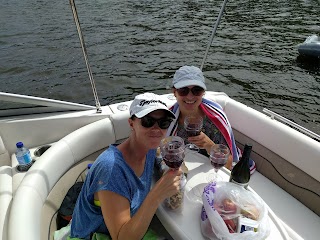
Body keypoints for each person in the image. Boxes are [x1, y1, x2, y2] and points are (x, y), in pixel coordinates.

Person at [69, 92, 182, 240]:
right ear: (131, 123)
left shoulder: (149, 148)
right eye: (147, 121)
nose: (156, 129)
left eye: (163, 123)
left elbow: (161, 157)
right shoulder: (111, 168)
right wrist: (157, 194)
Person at [167, 65, 256, 173]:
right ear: (174, 92)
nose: (190, 97)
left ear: (203, 92)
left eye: (197, 90)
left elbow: (228, 163)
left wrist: (209, 145)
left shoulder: (214, 121)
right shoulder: (166, 119)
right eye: (183, 90)